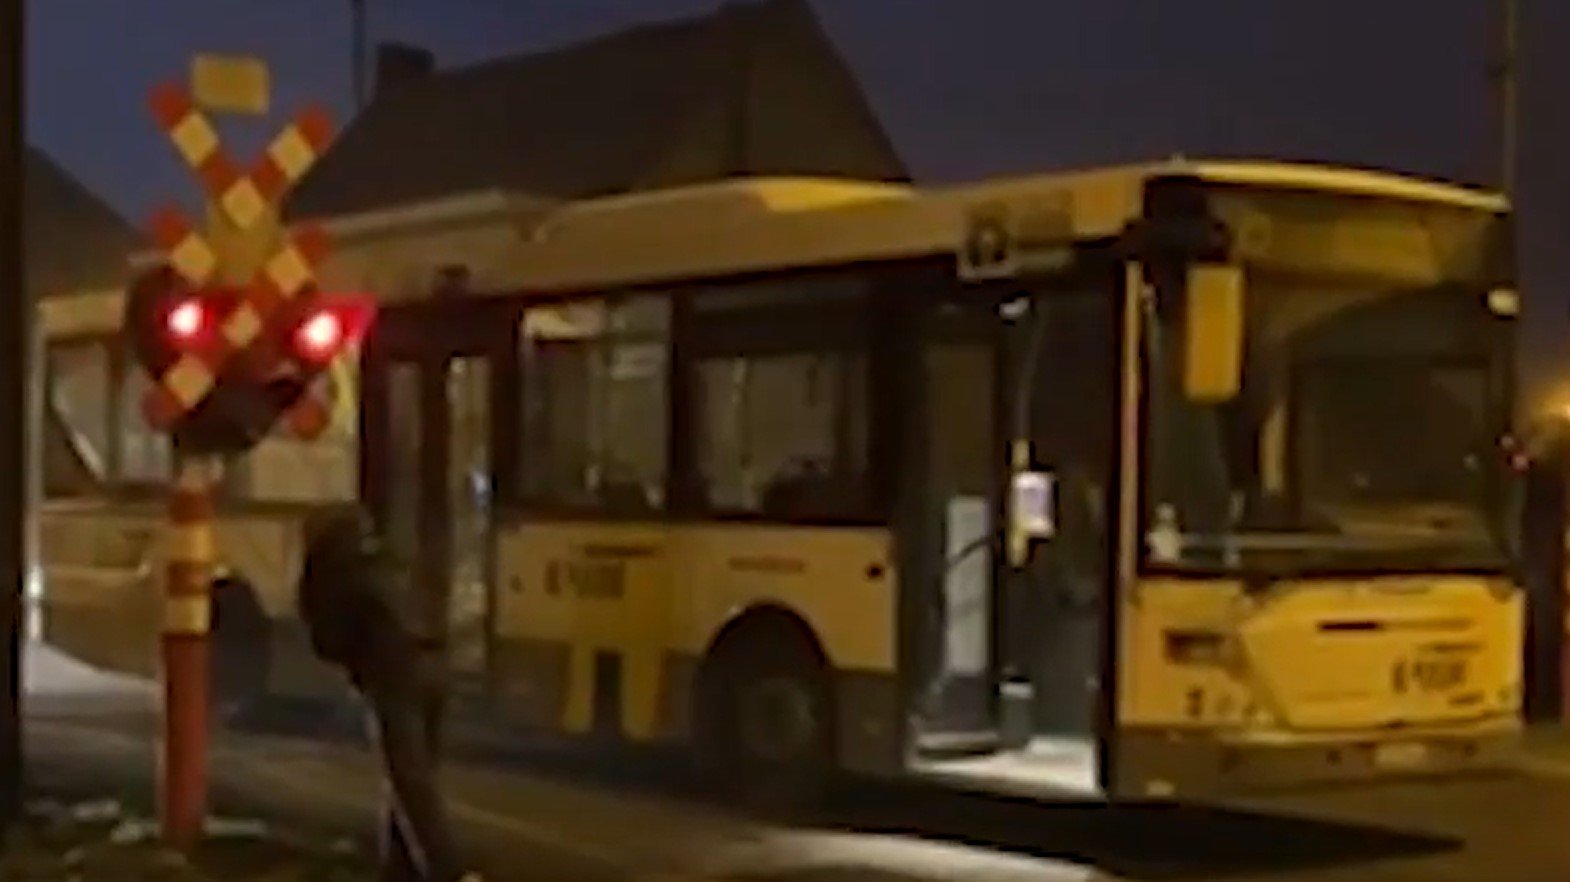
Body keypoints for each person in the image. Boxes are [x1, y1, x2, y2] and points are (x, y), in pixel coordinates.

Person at [297, 505, 478, 882]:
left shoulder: (328, 567)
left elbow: (326, 635)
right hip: (435, 666)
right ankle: (399, 870)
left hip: (394, 673)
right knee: (413, 775)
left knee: (409, 781)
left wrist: (354, 661)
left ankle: (448, 872)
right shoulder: (385, 556)